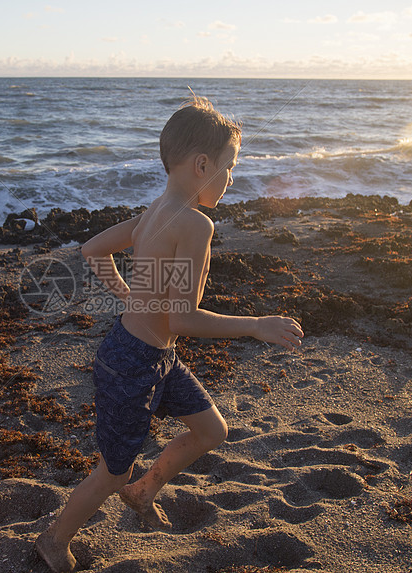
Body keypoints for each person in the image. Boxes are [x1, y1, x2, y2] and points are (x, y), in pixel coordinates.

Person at [35, 97, 304, 572]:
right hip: (133, 364)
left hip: (148, 355)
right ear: (203, 164)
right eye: (229, 167)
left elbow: (94, 250)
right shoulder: (195, 224)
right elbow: (183, 318)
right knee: (111, 472)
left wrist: (130, 297)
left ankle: (145, 490)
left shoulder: (155, 210)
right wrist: (256, 327)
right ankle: (54, 539)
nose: (231, 179)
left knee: (210, 430)